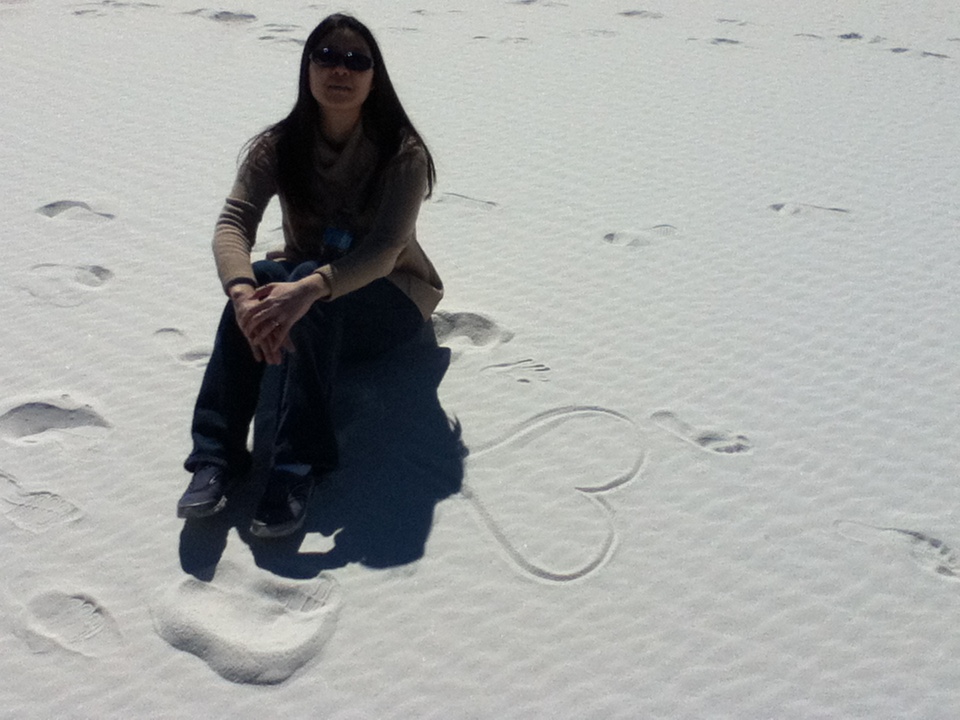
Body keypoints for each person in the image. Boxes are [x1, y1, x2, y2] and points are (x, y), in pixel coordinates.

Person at [176, 13, 443, 539]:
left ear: (374, 76)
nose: (340, 69)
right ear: (307, 68)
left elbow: (387, 250)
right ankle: (216, 457)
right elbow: (233, 223)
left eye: (356, 60)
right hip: (305, 287)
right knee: (256, 279)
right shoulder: (277, 146)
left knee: (303, 287)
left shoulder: (401, 154)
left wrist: (308, 289)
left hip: (392, 300)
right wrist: (243, 294)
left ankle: (296, 466)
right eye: (327, 56)